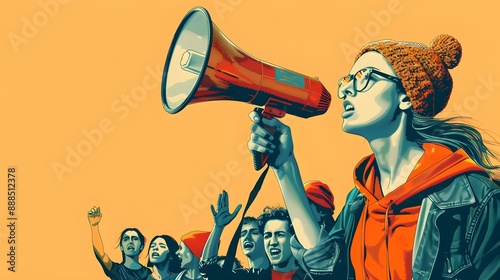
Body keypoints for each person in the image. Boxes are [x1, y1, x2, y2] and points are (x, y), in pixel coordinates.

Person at [247, 34, 500, 279]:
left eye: (363, 77)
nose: (345, 90)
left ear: (405, 97)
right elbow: (327, 267)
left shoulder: (476, 200)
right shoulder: (360, 200)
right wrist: (285, 167)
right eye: (346, 81)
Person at [200, 204, 309, 279]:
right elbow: (208, 270)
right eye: (267, 236)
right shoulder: (253, 277)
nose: (272, 242)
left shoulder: (311, 274)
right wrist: (218, 227)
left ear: (293, 239)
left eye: (280, 235)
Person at [200, 190, 269, 270]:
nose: (247, 237)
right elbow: (207, 268)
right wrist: (218, 228)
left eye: (254, 232)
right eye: (243, 234)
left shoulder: (280, 272)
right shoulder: (241, 276)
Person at [87, 206, 151, 280]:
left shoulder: (148, 273)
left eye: (135, 239)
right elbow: (101, 254)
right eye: (126, 239)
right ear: (121, 247)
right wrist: (94, 226)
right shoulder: (117, 270)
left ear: (141, 246)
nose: (130, 242)